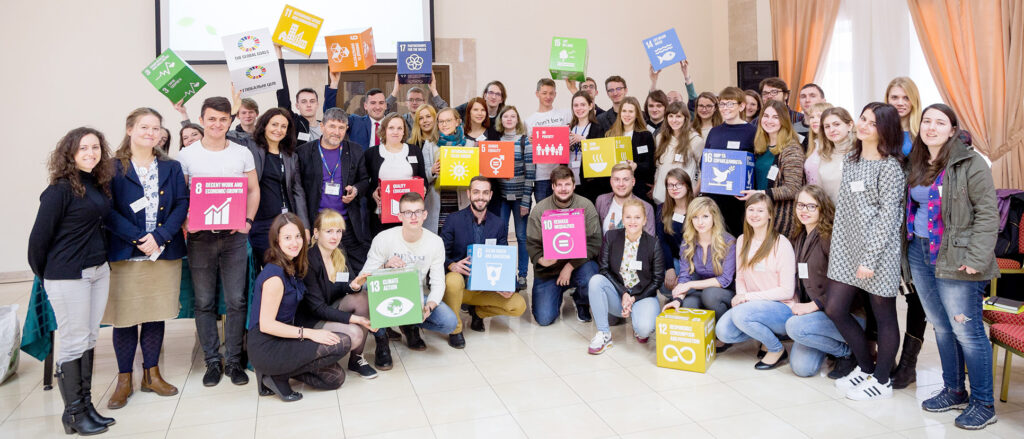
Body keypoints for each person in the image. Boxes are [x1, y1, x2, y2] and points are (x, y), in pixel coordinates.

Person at [904, 104, 998, 430]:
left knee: (967, 331)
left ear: (952, 129)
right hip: (920, 251)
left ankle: (984, 403)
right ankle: (954, 389)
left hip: (957, 258)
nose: (931, 127)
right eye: (926, 121)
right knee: (942, 327)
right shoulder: (916, 162)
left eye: (939, 122)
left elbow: (988, 214)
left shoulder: (971, 163)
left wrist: (976, 259)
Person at [28, 127, 114, 435]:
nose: (91, 153)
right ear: (70, 153)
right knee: (73, 341)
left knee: (90, 338)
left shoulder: (96, 183)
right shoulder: (60, 190)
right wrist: (50, 273)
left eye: (95, 147)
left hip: (98, 271)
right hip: (68, 275)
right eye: (83, 148)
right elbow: (38, 242)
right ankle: (74, 414)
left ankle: (86, 405)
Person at [103, 108, 188, 410]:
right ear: (130, 129)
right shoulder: (111, 167)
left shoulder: (171, 167)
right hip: (127, 252)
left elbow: (181, 203)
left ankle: (151, 374)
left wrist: (160, 236)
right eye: (144, 127)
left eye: (155, 128)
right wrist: (138, 238)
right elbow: (107, 209)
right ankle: (124, 378)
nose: (150, 133)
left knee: (155, 314)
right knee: (124, 318)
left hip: (163, 252)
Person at [177, 96, 260, 388]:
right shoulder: (187, 155)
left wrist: (247, 223)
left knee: (237, 300)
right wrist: (185, 221)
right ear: (202, 120)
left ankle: (234, 360)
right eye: (212, 119)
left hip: (234, 238)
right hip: (199, 239)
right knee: (204, 302)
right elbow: (180, 198)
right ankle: (212, 361)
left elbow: (253, 190)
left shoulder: (242, 153)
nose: (217, 124)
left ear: (230, 121)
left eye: (223, 119)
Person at [826, 102, 906, 401]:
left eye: (871, 123)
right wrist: (841, 249)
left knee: (883, 315)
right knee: (835, 308)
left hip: (878, 253)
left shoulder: (890, 167)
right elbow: (847, 209)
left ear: (884, 130)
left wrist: (869, 259)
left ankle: (882, 379)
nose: (862, 125)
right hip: (847, 248)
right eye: (862, 119)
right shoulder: (852, 159)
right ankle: (865, 366)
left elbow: (889, 217)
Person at [248, 213, 352, 402]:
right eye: (287, 238)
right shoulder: (274, 276)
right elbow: (267, 325)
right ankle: (274, 374)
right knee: (341, 342)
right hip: (267, 345)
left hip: (285, 339)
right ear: (276, 241)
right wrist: (310, 333)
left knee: (336, 379)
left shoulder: (293, 265)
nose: (294, 242)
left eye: (297, 236)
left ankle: (277, 373)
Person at [350, 192, 458, 350]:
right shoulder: (383, 238)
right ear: (400, 216)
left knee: (449, 322)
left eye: (418, 212)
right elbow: (364, 278)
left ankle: (409, 324)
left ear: (425, 214)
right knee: (366, 290)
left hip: (415, 296)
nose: (413, 217)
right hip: (386, 292)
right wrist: (385, 267)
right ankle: (382, 338)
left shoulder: (435, 242)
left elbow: (438, 282)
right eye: (408, 212)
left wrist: (429, 306)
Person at [785, 185, 863, 378]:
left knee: (795, 327)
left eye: (812, 206)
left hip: (845, 314)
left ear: (822, 208)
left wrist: (814, 304)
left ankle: (847, 353)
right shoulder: (799, 235)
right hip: (816, 314)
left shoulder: (831, 237)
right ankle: (834, 347)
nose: (804, 210)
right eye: (801, 205)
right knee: (801, 368)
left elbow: (847, 282)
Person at [440, 177, 527, 345]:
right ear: (468, 194)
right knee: (452, 280)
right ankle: (455, 329)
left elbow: (505, 258)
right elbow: (440, 253)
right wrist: (452, 265)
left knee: (518, 305)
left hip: (486, 285)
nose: (480, 197)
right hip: (460, 286)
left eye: (485, 193)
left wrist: (508, 284)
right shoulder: (454, 219)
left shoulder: (498, 224)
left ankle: (478, 313)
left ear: (491, 195)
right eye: (476, 192)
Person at [714, 193, 797, 369]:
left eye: (760, 210)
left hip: (782, 307)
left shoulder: (781, 243)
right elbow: (741, 277)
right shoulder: (743, 240)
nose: (754, 214)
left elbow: (787, 291)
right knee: (723, 332)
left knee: (740, 314)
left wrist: (747, 298)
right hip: (752, 306)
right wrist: (742, 296)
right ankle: (763, 338)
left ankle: (777, 349)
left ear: (770, 215)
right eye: (751, 209)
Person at [298, 209, 381, 377]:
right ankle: (318, 359)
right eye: (328, 231)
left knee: (362, 297)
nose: (334, 237)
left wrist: (354, 285)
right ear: (316, 233)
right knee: (356, 333)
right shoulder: (308, 260)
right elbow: (317, 309)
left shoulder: (339, 251)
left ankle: (356, 359)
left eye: (338, 231)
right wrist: (356, 320)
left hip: (331, 306)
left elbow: (344, 287)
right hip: (312, 317)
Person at [296, 107, 372, 273]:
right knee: (318, 272)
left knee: (357, 271)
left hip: (347, 225)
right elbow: (298, 189)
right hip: (318, 225)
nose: (336, 132)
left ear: (346, 129)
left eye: (341, 127)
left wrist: (356, 190)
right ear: (322, 126)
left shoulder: (355, 150)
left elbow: (365, 181)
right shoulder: (303, 153)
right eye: (332, 126)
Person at [586, 198, 665, 353]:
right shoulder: (611, 237)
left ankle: (638, 321)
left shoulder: (653, 244)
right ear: (622, 218)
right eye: (628, 217)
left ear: (644, 220)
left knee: (643, 330)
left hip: (643, 295)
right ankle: (604, 334)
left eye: (637, 217)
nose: (632, 221)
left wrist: (634, 298)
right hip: (618, 294)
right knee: (596, 281)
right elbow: (604, 269)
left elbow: (657, 281)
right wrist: (623, 293)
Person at [526, 165, 602, 325]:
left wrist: (569, 266)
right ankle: (556, 291)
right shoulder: (540, 210)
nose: (563, 189)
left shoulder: (586, 206)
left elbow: (594, 243)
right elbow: (531, 243)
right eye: (559, 185)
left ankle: (581, 301)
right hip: (549, 270)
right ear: (552, 186)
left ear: (574, 185)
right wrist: (541, 260)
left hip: (578, 266)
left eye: (567, 184)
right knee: (544, 319)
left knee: (592, 278)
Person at [662, 196, 737, 352]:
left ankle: (725, 334)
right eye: (695, 217)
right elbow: (684, 276)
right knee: (687, 305)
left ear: (714, 217)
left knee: (710, 295)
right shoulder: (687, 242)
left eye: (705, 216)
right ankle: (703, 337)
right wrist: (677, 299)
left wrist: (690, 285)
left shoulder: (728, 242)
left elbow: (725, 280)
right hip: (700, 290)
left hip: (725, 293)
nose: (700, 222)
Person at [247, 108, 309, 266]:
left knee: (289, 267)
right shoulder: (251, 148)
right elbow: (227, 135)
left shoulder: (290, 156)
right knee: (271, 267)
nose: (278, 130)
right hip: (260, 223)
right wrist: (234, 110)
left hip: (285, 223)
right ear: (264, 125)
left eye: (283, 126)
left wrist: (305, 226)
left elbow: (298, 192)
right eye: (274, 124)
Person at [740, 99, 805, 238]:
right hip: (758, 216)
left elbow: (793, 189)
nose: (769, 121)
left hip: (780, 219)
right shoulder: (760, 147)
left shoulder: (791, 149)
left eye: (776, 117)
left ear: (784, 121)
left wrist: (761, 193)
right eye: (766, 116)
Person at [700, 86, 757, 235]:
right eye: (722, 104)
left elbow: (755, 164)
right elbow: (704, 162)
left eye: (730, 104)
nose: (725, 108)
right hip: (714, 197)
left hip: (739, 200)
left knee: (737, 239)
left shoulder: (752, 132)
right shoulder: (715, 131)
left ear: (741, 106)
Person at [364, 113, 428, 234]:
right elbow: (364, 183)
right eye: (391, 128)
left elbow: (423, 179)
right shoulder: (371, 154)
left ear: (404, 131)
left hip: (410, 215)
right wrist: (372, 193)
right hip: (380, 215)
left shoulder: (414, 151)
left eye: (400, 128)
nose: (396, 132)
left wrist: (424, 188)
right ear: (384, 130)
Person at [494, 106, 535, 291]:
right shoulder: (495, 141)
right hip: (501, 197)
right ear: (501, 120)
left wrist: (526, 201)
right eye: (506, 116)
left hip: (520, 197)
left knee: (521, 237)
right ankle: (507, 274)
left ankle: (523, 275)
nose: (509, 119)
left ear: (517, 120)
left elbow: (531, 172)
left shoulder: (525, 141)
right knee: (501, 236)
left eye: (513, 116)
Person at [526, 78, 572, 202]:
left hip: (562, 175)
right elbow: (528, 151)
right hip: (541, 177)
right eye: (544, 93)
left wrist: (572, 89)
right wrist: (530, 143)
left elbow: (587, 107)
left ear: (555, 95)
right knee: (544, 215)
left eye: (551, 93)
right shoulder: (530, 121)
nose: (548, 96)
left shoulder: (564, 114)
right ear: (537, 94)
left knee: (563, 214)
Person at [604, 96, 656, 203]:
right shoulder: (610, 135)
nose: (627, 115)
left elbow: (650, 165)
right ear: (619, 113)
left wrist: (636, 166)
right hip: (615, 190)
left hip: (638, 190)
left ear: (637, 114)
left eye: (631, 111)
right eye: (624, 111)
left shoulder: (645, 136)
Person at [653, 102, 704, 204]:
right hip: (661, 197)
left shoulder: (695, 140)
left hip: (684, 199)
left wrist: (695, 191)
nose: (674, 120)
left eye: (678, 116)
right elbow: (658, 167)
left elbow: (702, 170)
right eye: (670, 116)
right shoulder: (660, 138)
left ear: (685, 118)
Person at [434, 107, 476, 229]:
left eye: (448, 120)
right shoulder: (431, 144)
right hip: (439, 202)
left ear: (457, 122)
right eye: (441, 121)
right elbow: (423, 175)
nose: (444, 124)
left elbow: (476, 176)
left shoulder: (470, 145)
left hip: (461, 200)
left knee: (460, 237)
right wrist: (432, 170)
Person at [656, 169, 696, 292]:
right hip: (675, 260)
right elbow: (663, 242)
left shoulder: (698, 207)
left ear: (688, 186)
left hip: (695, 262)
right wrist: (670, 268)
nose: (674, 188)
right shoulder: (662, 209)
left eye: (679, 184)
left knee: (687, 288)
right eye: (670, 185)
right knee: (664, 283)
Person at [274, 44, 322, 142]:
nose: (309, 105)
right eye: (304, 101)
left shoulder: (325, 126)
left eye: (312, 101)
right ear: (297, 105)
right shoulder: (293, 122)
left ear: (317, 104)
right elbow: (283, 95)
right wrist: (279, 56)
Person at [325, 74, 387, 149]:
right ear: (365, 106)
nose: (377, 107)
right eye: (373, 103)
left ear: (385, 105)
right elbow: (331, 114)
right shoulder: (355, 122)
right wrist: (334, 84)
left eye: (381, 103)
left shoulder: (393, 123)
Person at [595, 163, 657, 235]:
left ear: (633, 182)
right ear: (611, 182)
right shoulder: (601, 201)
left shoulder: (646, 208)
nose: (621, 184)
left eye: (626, 179)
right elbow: (597, 238)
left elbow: (649, 242)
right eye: (616, 179)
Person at [409, 105, 441, 232]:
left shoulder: (443, 140)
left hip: (446, 195)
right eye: (421, 118)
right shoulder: (411, 145)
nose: (425, 121)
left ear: (435, 118)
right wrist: (431, 171)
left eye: (428, 116)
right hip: (425, 197)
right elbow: (412, 175)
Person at [570, 90, 606, 199]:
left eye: (583, 104)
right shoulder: (568, 128)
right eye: (576, 105)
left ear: (590, 106)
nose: (579, 108)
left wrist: (584, 140)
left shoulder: (598, 128)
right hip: (569, 182)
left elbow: (602, 153)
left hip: (590, 182)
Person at [816, 107, 856, 201]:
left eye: (836, 124)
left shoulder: (861, 152)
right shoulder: (825, 155)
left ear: (850, 125)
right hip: (830, 213)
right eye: (827, 126)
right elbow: (820, 192)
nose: (832, 130)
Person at [885, 77, 922, 156]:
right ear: (887, 100)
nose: (900, 103)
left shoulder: (923, 131)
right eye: (895, 97)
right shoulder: (877, 129)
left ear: (914, 100)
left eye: (906, 98)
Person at [803, 102, 835, 184]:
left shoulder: (836, 147)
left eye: (819, 116)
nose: (814, 120)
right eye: (812, 117)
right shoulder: (814, 145)